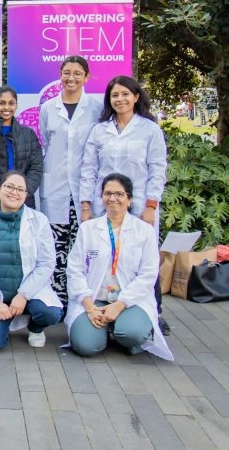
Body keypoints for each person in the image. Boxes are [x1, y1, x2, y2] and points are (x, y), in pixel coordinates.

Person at [79, 75, 170, 334]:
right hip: (104, 204)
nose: (119, 99)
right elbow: (88, 169)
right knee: (104, 259)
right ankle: (101, 309)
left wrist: (151, 205)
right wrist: (86, 205)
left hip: (139, 205)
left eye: (125, 94)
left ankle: (153, 312)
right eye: (114, 95)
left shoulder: (149, 129)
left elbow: (157, 168)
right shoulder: (100, 130)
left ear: (136, 97)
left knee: (143, 259)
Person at [66, 173, 173, 360]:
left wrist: (121, 304)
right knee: (85, 346)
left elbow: (148, 275)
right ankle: (104, 329)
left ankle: (123, 327)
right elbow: (74, 269)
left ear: (129, 199)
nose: (112, 198)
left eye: (119, 194)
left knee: (132, 334)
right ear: (101, 198)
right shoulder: (88, 229)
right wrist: (89, 306)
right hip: (95, 299)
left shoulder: (144, 231)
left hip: (129, 301)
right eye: (107, 193)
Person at [0, 171, 62, 351]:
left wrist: (24, 295)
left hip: (28, 291)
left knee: (50, 313)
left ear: (26, 195)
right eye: (9, 187)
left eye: (20, 189)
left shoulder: (39, 221)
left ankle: (35, 328)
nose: (14, 192)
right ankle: (4, 319)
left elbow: (47, 263)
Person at [39, 56, 103, 309]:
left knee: (81, 248)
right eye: (67, 72)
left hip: (84, 190)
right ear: (60, 75)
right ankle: (57, 302)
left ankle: (81, 301)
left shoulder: (96, 109)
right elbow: (46, 143)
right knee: (55, 248)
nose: (71, 78)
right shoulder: (48, 108)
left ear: (86, 76)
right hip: (55, 190)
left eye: (78, 73)